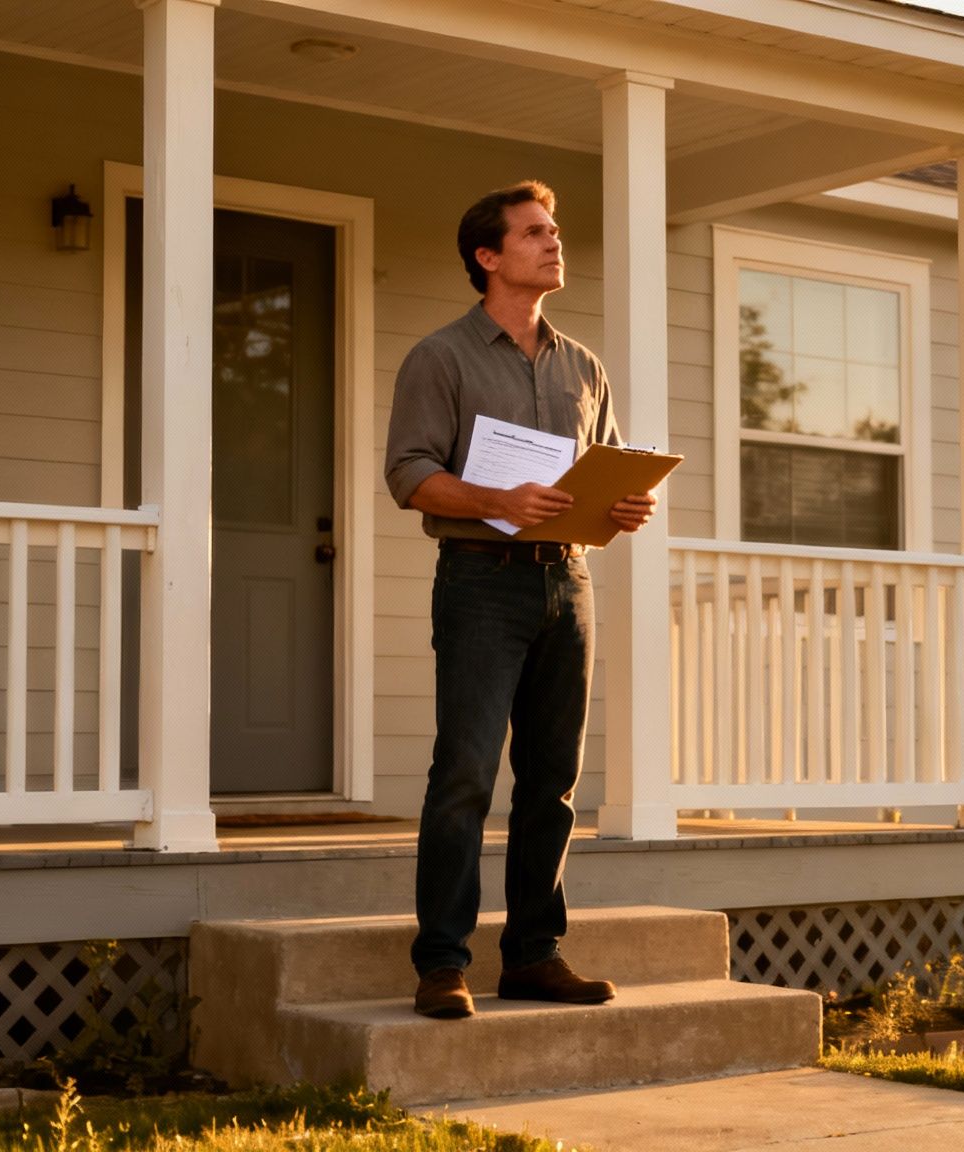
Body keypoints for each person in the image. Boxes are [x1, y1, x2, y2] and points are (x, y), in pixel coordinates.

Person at [383, 180, 658, 1019]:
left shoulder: (584, 367)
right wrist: (495, 500)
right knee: (464, 773)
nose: (554, 242)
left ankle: (535, 955)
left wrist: (623, 504)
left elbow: (602, 468)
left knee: (554, 780)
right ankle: (442, 964)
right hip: (480, 584)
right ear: (489, 256)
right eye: (535, 232)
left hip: (566, 582)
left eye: (556, 230)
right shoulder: (440, 357)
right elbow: (409, 475)